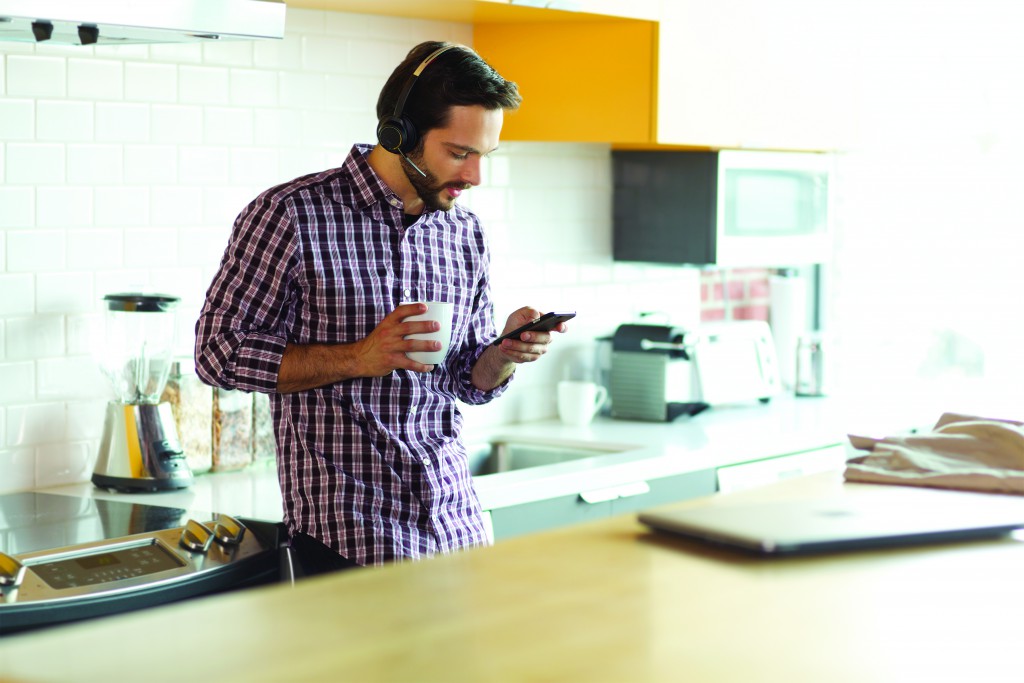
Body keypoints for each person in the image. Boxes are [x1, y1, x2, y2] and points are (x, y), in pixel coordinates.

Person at [194, 41, 567, 573]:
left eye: (483, 157)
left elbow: (463, 379)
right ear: (400, 135)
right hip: (349, 537)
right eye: (459, 154)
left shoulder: (463, 233)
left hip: (455, 527)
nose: (474, 177)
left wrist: (504, 353)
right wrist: (359, 357)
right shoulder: (290, 216)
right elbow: (217, 354)